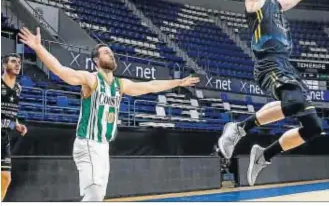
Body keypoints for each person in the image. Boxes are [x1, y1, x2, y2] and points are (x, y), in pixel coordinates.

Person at [17, 27, 200, 201]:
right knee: (95, 194)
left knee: (97, 197)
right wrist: (39, 48)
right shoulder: (91, 79)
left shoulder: (121, 85)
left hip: (103, 146)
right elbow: (61, 70)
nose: (110, 54)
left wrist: (178, 82)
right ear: (96, 61)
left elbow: (150, 86)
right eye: (105, 52)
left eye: (111, 52)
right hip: (88, 142)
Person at [217, 0, 323, 186]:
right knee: (294, 102)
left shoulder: (276, 4)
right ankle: (239, 128)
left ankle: (265, 154)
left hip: (285, 64)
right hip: (268, 63)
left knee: (313, 127)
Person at [1, 53, 28, 201]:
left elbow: (12, 111)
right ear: (4, 65)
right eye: (13, 61)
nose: (18, 64)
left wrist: (16, 124)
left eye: (19, 62)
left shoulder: (18, 88)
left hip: (4, 136)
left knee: (5, 177)